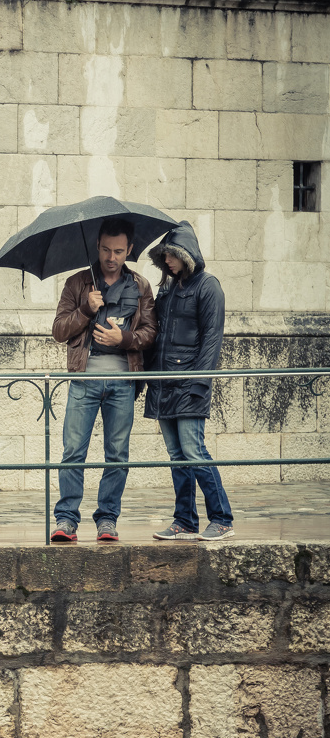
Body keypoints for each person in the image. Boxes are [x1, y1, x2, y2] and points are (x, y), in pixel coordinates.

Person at [51, 218, 157, 543]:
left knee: (118, 454)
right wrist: (85, 309)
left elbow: (150, 333)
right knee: (72, 451)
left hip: (123, 382)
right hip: (84, 379)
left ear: (130, 250)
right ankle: (66, 521)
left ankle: (107, 521)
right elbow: (58, 331)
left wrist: (122, 339)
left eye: (119, 251)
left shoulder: (140, 286)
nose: (112, 257)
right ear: (97, 246)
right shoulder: (78, 283)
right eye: (107, 250)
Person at [144, 220, 234, 541]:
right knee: (176, 456)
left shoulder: (208, 286)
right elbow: (156, 336)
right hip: (164, 384)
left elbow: (212, 339)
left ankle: (221, 518)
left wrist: (200, 384)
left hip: (190, 384)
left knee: (195, 451)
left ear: (185, 253)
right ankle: (184, 520)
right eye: (163, 255)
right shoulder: (167, 288)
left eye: (171, 254)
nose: (166, 260)